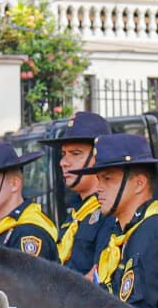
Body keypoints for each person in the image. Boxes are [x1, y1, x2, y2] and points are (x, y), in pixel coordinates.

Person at [73, 133, 158, 308]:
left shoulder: (155, 231)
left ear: (139, 183)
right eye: (99, 179)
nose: (98, 189)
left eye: (108, 179)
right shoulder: (121, 232)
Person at [38, 111, 116, 272]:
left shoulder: (109, 213)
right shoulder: (76, 213)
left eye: (75, 154)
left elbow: (98, 278)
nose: (63, 163)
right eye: (63, 154)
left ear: (99, 156)